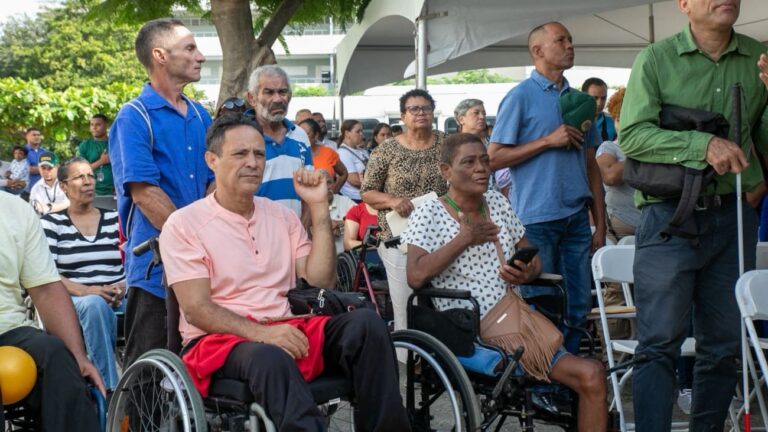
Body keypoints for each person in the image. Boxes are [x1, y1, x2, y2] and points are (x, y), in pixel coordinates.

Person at [159, 114, 410, 431]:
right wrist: (263, 334)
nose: (253, 162)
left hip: (286, 326)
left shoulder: (282, 217)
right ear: (212, 160)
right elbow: (197, 310)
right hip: (220, 341)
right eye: (240, 154)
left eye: (259, 154)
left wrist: (318, 207)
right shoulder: (185, 224)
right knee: (270, 356)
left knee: (367, 325)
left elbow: (321, 281)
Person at [621, 0, 768, 428]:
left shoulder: (757, 56)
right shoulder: (655, 57)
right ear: (684, 4)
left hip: (731, 216)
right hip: (669, 217)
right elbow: (631, 135)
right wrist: (700, 145)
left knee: (724, 345)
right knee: (658, 345)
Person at [402, 133, 607, 431]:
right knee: (587, 373)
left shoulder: (497, 202)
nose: (481, 168)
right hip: (468, 331)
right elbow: (416, 276)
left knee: (593, 375)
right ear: (446, 171)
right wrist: (464, 239)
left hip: (515, 323)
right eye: (469, 162)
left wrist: (528, 272)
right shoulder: (429, 213)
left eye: (484, 160)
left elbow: (531, 256)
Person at [488, 22, 606, 354]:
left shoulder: (581, 100)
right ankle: (542, 381)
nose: (570, 45)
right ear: (538, 51)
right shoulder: (520, 97)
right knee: (543, 304)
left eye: (571, 39)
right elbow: (493, 158)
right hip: (536, 220)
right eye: (561, 40)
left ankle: (560, 381)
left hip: (577, 219)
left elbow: (591, 164)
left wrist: (602, 221)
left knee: (579, 307)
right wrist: (547, 141)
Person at [109, 18, 212, 367]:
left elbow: (217, 180)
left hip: (208, 262)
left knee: (205, 364)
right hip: (157, 268)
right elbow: (145, 194)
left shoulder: (202, 115)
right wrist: (195, 240)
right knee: (148, 373)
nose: (201, 56)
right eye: (190, 48)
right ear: (160, 55)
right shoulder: (133, 116)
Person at [0, 191, 105, 430]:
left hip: (8, 328)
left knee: (56, 355)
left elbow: (46, 288)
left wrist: (78, 356)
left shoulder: (15, 210)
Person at [361, 88, 448, 335]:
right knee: (406, 306)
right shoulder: (386, 150)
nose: (421, 113)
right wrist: (391, 200)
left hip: (442, 235)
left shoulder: (447, 144)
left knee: (444, 303)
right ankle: (407, 363)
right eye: (414, 109)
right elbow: (367, 191)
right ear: (403, 115)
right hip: (399, 239)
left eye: (426, 108)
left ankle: (445, 362)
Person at [39, 157, 125, 392]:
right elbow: (48, 274)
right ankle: (109, 390)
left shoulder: (116, 220)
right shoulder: (52, 223)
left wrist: (122, 286)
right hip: (75, 300)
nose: (88, 182)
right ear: (64, 186)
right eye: (79, 177)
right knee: (94, 305)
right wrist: (90, 291)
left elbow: (133, 263)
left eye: (90, 176)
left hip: (120, 296)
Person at [245, 65, 314, 217]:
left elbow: (309, 193)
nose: (277, 99)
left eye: (282, 92)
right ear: (252, 98)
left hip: (295, 235)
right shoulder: (240, 136)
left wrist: (301, 232)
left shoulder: (300, 135)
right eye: (268, 92)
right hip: (253, 234)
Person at [594, 87, 640, 243]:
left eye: (630, 119)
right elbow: (610, 176)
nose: (623, 125)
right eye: (619, 119)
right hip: (621, 230)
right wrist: (643, 153)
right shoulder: (609, 147)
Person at [299, 118, 348, 193]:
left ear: (316, 136)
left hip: (325, 201)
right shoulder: (292, 154)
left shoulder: (328, 152)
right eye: (299, 134)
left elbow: (344, 173)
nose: (301, 138)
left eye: (306, 134)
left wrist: (333, 191)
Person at [77, 114, 114, 196]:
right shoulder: (85, 145)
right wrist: (101, 161)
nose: (94, 127)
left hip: (114, 191)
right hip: (91, 191)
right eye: (92, 125)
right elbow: (80, 171)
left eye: (98, 125)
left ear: (106, 126)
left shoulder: (115, 144)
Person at [337, 119, 369, 202]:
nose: (361, 134)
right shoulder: (342, 153)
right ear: (347, 133)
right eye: (358, 131)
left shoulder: (362, 151)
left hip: (367, 195)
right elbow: (354, 180)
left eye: (362, 131)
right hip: (354, 198)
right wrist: (376, 184)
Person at [581, 77, 617, 142]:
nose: (599, 103)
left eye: (603, 98)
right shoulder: (572, 121)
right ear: (583, 97)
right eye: (595, 98)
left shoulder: (614, 122)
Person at [23, 127, 48, 195]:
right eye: (34, 135)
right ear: (27, 137)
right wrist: (47, 168)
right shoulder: (22, 152)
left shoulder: (45, 152)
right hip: (28, 191)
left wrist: (38, 169)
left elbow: (55, 167)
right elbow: (28, 169)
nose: (37, 137)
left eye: (38, 135)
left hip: (44, 191)